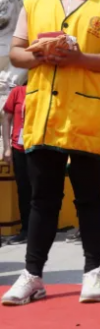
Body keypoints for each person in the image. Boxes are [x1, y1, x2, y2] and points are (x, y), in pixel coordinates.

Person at [2, 0, 100, 306]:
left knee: (90, 195)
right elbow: (16, 54)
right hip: (44, 116)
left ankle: (93, 272)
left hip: (87, 115)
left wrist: (79, 59)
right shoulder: (34, 3)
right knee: (44, 199)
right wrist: (41, 54)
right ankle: (33, 275)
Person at [2, 82, 29, 245]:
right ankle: (26, 229)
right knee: (24, 189)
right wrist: (7, 147)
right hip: (20, 147)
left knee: (41, 190)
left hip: (41, 148)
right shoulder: (18, 92)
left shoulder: (48, 91)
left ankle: (41, 229)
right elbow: (6, 119)